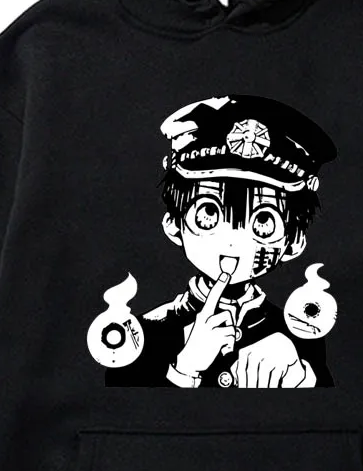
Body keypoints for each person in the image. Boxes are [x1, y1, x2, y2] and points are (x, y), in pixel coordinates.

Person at [104, 94, 336, 388]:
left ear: (294, 242)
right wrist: (184, 369)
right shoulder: (140, 334)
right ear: (173, 224)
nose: (233, 241)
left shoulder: (302, 334)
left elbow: (336, 406)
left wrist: (300, 378)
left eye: (263, 222)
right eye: (208, 214)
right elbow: (115, 407)